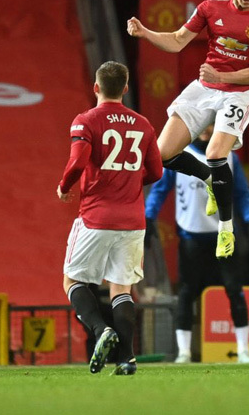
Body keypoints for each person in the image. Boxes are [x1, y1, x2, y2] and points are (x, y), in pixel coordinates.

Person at [127, 0, 249, 260]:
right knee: (162, 155)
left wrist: (221, 77)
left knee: (215, 153)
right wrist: (145, 33)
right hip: (207, 86)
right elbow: (176, 41)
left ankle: (226, 228)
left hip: (240, 91)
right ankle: (210, 179)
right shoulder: (211, 7)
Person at [57, 61, 162, 376]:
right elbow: (156, 172)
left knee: (73, 280)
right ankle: (127, 360)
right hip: (132, 220)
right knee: (122, 289)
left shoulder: (86, 121)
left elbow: (77, 162)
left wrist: (63, 187)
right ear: (126, 89)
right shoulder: (143, 125)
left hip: (96, 216)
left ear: (96, 88)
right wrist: (128, 182)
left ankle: (100, 328)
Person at [144, 125, 249, 364]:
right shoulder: (178, 156)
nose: (206, 129)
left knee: (234, 290)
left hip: (223, 235)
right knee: (187, 293)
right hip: (191, 236)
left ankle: (243, 350)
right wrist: (149, 216)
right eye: (202, 124)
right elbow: (160, 189)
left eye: (211, 125)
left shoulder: (229, 157)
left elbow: (242, 193)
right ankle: (184, 353)